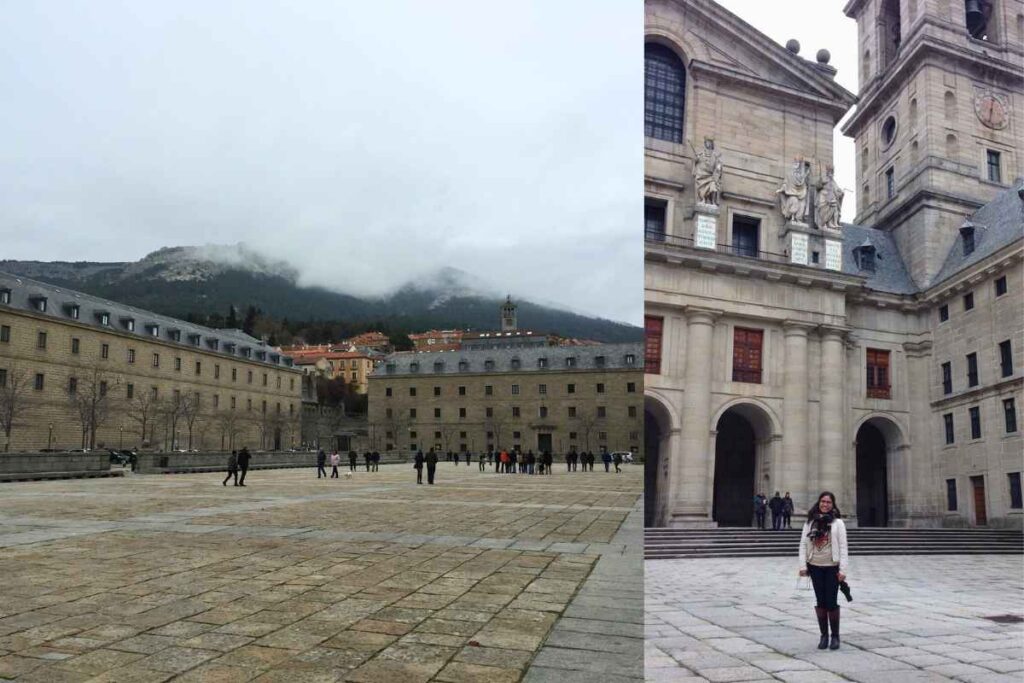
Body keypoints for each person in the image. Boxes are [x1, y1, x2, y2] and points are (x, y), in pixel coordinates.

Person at [798, 491, 849, 651]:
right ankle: (823, 635)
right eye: (823, 501)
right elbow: (803, 545)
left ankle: (835, 636)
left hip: (832, 566)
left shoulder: (838, 523)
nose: (825, 504)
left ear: (832, 505)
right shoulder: (810, 522)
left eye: (828, 502)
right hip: (815, 566)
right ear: (818, 503)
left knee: (831, 601)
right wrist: (802, 566)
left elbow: (843, 546)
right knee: (820, 601)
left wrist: (843, 569)